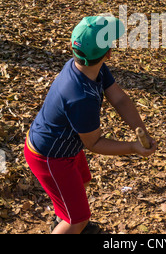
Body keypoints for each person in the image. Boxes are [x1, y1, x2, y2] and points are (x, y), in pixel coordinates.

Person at [24, 15, 157, 234]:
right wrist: (133, 148)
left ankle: (67, 221)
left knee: (82, 182)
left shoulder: (90, 68)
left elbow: (120, 99)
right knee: (76, 219)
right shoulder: (80, 97)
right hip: (50, 157)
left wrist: (139, 129)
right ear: (108, 53)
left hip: (65, 147)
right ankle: (69, 225)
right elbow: (94, 143)